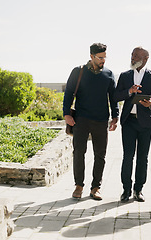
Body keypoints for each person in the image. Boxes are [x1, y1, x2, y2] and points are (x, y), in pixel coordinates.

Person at [63, 43, 119, 201]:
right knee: (79, 152)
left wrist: (115, 116)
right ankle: (78, 186)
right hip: (81, 119)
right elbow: (68, 93)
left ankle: (96, 187)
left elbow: (113, 98)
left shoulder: (108, 74)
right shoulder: (78, 71)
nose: (103, 60)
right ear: (91, 56)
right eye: (100, 57)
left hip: (101, 120)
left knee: (100, 155)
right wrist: (67, 114)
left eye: (104, 57)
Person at [114, 47, 151, 202]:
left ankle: (138, 190)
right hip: (128, 121)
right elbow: (116, 96)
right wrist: (129, 91)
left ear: (145, 58)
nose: (132, 58)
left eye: (136, 56)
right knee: (128, 156)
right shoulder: (125, 76)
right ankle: (126, 190)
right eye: (132, 55)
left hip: (146, 124)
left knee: (142, 158)